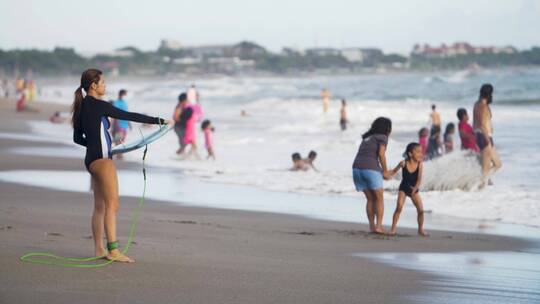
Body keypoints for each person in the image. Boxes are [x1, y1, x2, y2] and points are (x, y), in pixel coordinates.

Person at [71, 69, 167, 263]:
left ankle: (99, 249)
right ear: (94, 86)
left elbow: (77, 138)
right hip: (103, 162)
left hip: (92, 160)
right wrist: (157, 121)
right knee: (112, 205)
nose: (105, 86)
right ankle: (113, 250)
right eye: (103, 82)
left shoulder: (82, 107)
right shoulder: (98, 105)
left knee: (100, 206)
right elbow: (128, 115)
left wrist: (99, 146)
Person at [352, 117, 393, 234]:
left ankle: (372, 226)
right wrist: (385, 171)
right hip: (370, 169)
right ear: (387, 128)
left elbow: (367, 154)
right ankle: (379, 226)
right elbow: (381, 154)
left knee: (370, 199)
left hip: (356, 169)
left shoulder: (367, 138)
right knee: (379, 199)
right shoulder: (383, 137)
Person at [389, 143, 428, 236]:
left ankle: (420, 229)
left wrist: (415, 189)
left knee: (421, 210)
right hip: (403, 188)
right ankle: (393, 229)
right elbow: (393, 171)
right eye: (418, 152)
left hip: (414, 189)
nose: (420, 154)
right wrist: (386, 175)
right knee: (399, 207)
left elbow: (419, 180)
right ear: (410, 154)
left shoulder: (420, 164)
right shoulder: (403, 163)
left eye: (421, 152)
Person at [473, 84, 502, 187]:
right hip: (484, 136)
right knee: (485, 168)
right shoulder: (483, 106)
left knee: (498, 164)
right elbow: (481, 124)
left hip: (483, 135)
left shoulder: (477, 104)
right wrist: (487, 139)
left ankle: (480, 179)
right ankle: (480, 185)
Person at [112, 90, 131, 159]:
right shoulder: (116, 103)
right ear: (121, 94)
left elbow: (127, 113)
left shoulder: (124, 102)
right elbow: (114, 114)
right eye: (125, 94)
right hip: (118, 125)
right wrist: (116, 125)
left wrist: (129, 124)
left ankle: (120, 155)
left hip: (125, 125)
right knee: (118, 140)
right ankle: (118, 155)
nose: (126, 96)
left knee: (122, 141)